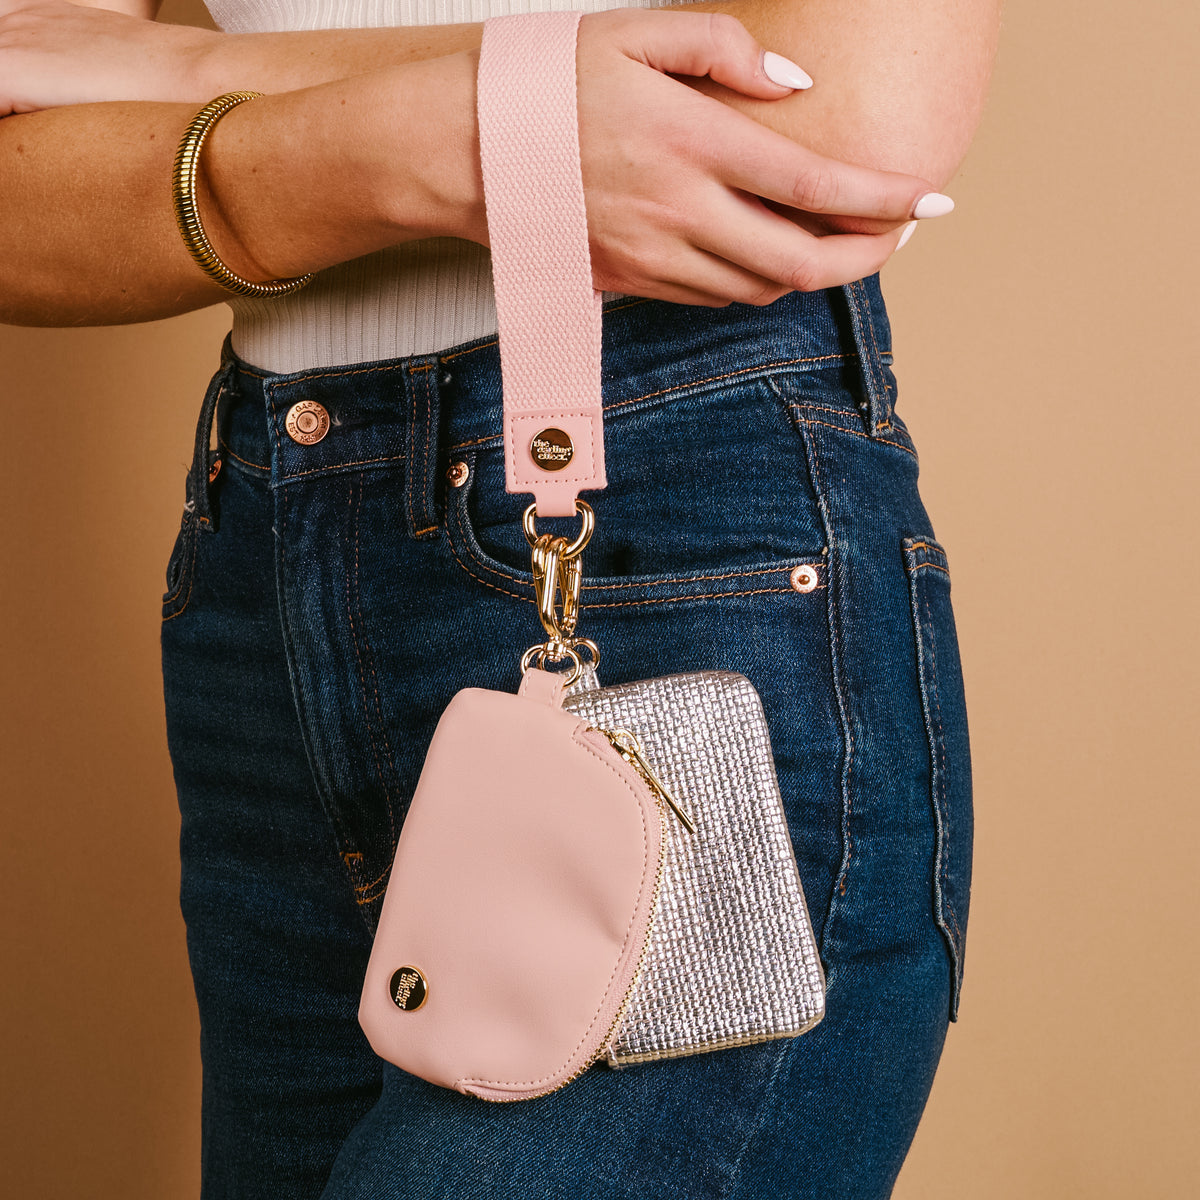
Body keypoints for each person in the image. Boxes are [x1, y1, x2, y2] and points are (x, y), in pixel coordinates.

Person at [0, 0, 999, 1195]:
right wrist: (483, 121)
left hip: (666, 541)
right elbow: (24, 193)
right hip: (266, 569)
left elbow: (832, 128)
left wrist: (200, 74)